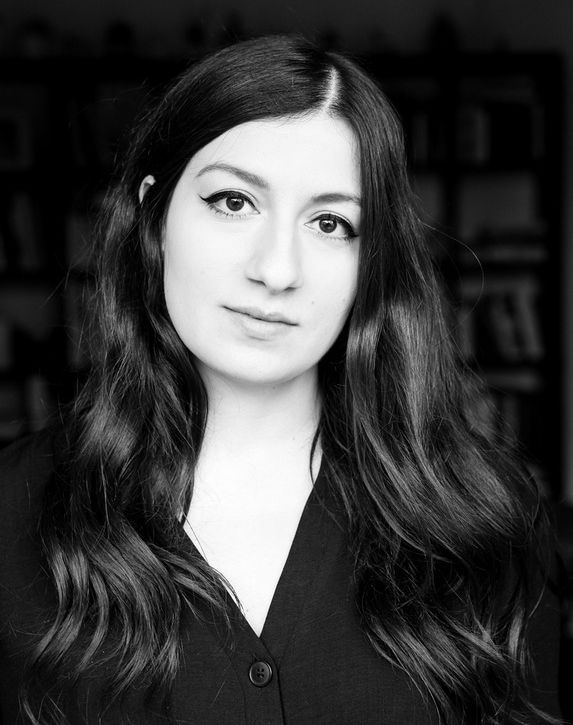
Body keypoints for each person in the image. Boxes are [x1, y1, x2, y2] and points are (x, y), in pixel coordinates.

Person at [0, 34, 563, 725]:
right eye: (234, 202)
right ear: (155, 215)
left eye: (330, 223)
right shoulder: (12, 511)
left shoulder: (485, 523)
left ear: (371, 261)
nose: (276, 269)